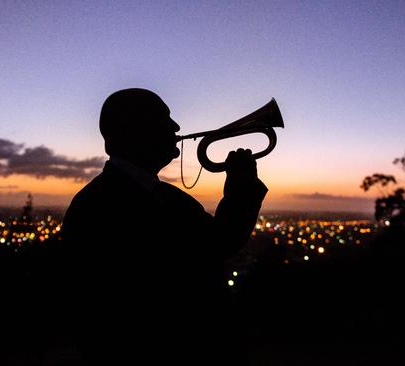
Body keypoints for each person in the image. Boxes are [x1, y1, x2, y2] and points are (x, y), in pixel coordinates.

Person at [60, 88, 267, 365]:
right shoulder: (100, 204)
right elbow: (217, 245)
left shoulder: (155, 196)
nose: (176, 127)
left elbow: (218, 242)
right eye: (164, 117)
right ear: (135, 128)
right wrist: (241, 190)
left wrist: (241, 189)